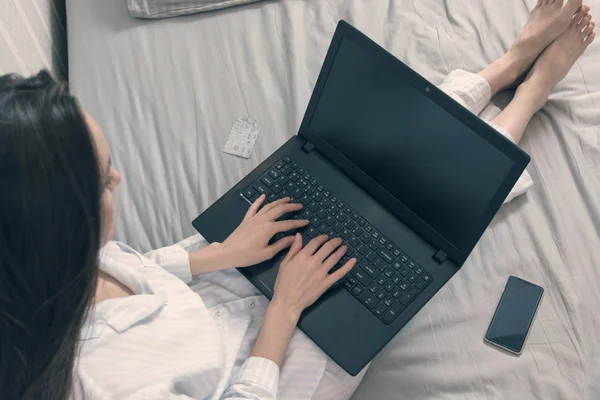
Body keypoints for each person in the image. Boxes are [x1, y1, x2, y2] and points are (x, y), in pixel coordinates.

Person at [0, 0, 594, 398]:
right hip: (273, 363)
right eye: (107, 179)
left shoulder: (34, 261)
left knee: (351, 160)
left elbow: (140, 269)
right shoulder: (102, 382)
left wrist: (222, 253)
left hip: (222, 285)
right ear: (64, 225)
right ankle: (530, 95)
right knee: (423, 212)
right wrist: (285, 307)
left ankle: (503, 67)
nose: (121, 181)